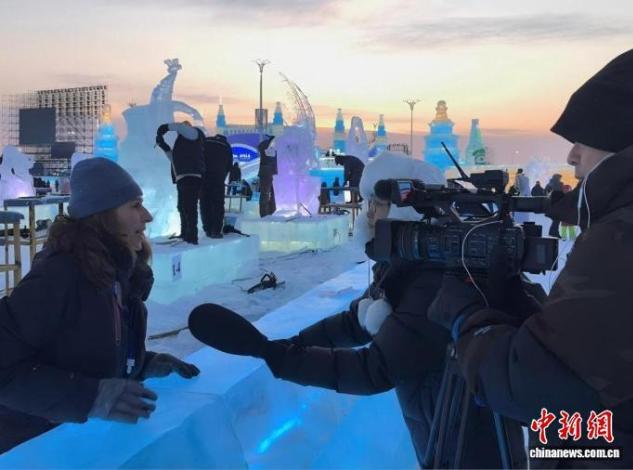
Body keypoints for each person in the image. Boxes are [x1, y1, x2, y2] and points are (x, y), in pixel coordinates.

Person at [191, 152, 509, 468]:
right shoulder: (407, 266)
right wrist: (296, 343)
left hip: (465, 446)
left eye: (377, 204)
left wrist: (284, 359)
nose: (368, 214)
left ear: (405, 210)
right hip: (439, 432)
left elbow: (373, 370)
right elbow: (357, 321)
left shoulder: (433, 279)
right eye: (368, 204)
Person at [427, 45, 633, 468]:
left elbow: (540, 388)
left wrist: (466, 317)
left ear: (623, 137)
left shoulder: (630, 234)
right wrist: (525, 314)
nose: (571, 156)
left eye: (584, 139)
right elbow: (607, 360)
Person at [0, 158, 200, 454]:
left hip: (74, 443)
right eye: (135, 206)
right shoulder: (58, 276)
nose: (147, 216)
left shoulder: (117, 275)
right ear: (104, 216)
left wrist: (141, 364)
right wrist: (90, 397)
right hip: (31, 449)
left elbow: (78, 352)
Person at [156, 121, 206, 244]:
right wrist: (164, 146)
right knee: (182, 206)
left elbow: (181, 128)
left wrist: (166, 127)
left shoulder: (194, 134)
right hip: (182, 178)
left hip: (191, 176)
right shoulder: (183, 142)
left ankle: (191, 236)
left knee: (189, 206)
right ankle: (185, 233)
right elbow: (174, 159)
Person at [201, 134, 233, 238]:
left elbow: (199, 156)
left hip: (204, 176)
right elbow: (229, 165)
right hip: (218, 177)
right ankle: (216, 231)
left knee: (205, 203)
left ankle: (207, 229)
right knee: (218, 204)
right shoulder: (226, 145)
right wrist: (222, 175)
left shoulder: (205, 141)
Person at [257, 135, 277, 217]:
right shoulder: (272, 145)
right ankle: (266, 214)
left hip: (266, 171)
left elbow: (259, 148)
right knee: (268, 194)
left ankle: (266, 213)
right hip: (269, 171)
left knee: (266, 193)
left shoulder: (264, 144)